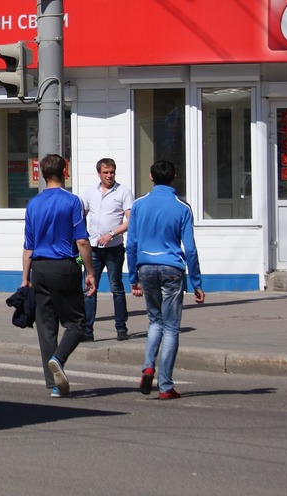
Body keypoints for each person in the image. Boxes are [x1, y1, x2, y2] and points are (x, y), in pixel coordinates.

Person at [126, 159, 204, 400]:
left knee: (154, 321)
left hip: (146, 267)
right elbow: (189, 249)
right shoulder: (182, 207)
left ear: (151, 177)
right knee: (171, 327)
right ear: (175, 177)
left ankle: (148, 365)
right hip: (172, 269)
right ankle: (166, 385)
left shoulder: (139, 205)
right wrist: (197, 282)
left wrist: (133, 277)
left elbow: (131, 244)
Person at [21, 153, 96, 397]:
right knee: (77, 323)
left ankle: (54, 384)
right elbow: (82, 240)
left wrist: (25, 277)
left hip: (39, 268)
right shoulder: (72, 201)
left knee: (46, 325)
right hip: (64, 266)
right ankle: (58, 359)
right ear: (65, 172)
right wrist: (90, 271)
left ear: (42, 175)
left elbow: (28, 245)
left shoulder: (33, 204)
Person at [81, 157, 134, 341]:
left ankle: (121, 328)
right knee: (89, 288)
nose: (109, 176)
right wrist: (81, 239)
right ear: (99, 174)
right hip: (93, 248)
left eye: (112, 172)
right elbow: (81, 216)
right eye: (106, 172)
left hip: (114, 248)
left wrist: (112, 233)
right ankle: (87, 330)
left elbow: (130, 220)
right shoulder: (90, 193)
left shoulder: (123, 192)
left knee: (116, 287)